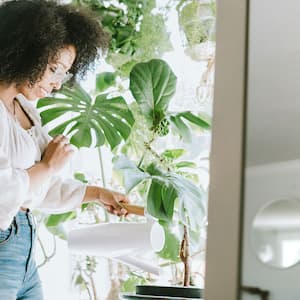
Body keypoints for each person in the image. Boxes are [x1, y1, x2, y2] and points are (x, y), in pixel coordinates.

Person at [0, 0, 130, 299]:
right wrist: (46, 166)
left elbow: (40, 188)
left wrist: (97, 194)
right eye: (53, 69)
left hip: (23, 248)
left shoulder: (27, 111)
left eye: (65, 74)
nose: (57, 84)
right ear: (25, 50)